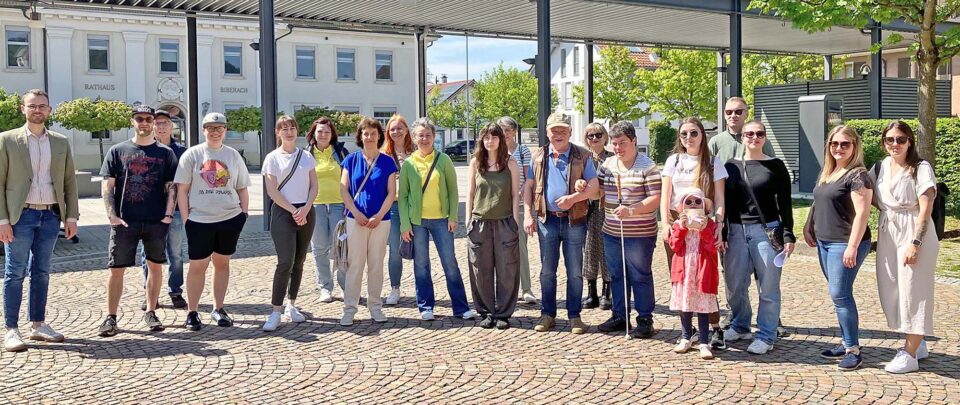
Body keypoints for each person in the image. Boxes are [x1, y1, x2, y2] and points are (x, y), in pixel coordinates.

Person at [1, 89, 79, 352]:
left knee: (42, 272)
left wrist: (71, 216)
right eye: (32, 106)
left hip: (50, 215)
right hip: (20, 216)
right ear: (22, 109)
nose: (37, 110)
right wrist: (2, 220)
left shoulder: (60, 142)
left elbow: (69, 182)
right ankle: (11, 329)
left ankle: (38, 324)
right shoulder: (7, 140)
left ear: (49, 110)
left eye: (42, 106)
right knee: (15, 272)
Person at [97, 105, 179, 337]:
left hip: (155, 220)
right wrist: (112, 215)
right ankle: (111, 316)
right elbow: (108, 186)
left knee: (155, 266)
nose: (144, 122)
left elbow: (171, 187)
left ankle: (151, 311)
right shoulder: (117, 150)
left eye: (148, 119)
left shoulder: (166, 153)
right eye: (139, 118)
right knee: (116, 269)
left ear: (153, 122)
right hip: (125, 221)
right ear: (132, 121)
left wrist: (168, 215)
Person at [803, 125, 873, 371]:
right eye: (834, 143)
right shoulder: (830, 171)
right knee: (838, 295)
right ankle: (845, 342)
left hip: (844, 243)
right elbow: (819, 201)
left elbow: (862, 214)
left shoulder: (858, 176)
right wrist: (809, 225)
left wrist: (852, 247)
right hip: (824, 241)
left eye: (845, 144)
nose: (839, 148)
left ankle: (853, 350)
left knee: (840, 294)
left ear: (855, 146)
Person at [871, 121, 938, 374]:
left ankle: (909, 354)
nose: (895, 144)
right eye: (890, 139)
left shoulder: (920, 168)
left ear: (910, 141)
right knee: (892, 289)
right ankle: (917, 342)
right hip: (889, 231)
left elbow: (926, 209)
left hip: (914, 232)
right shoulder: (881, 167)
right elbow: (867, 193)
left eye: (901, 139)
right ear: (883, 143)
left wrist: (915, 243)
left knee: (914, 290)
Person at [722, 120, 795, 355]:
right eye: (749, 134)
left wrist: (788, 234)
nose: (754, 137)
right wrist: (722, 232)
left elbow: (785, 204)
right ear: (742, 137)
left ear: (765, 137)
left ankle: (766, 335)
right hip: (735, 230)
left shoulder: (776, 166)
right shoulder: (730, 166)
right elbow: (724, 203)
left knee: (768, 287)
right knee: (734, 284)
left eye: (759, 134)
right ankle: (740, 325)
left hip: (766, 231)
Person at [523, 112, 598, 334]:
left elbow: (594, 187)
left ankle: (575, 316)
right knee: (547, 271)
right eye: (554, 130)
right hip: (547, 221)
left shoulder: (582, 155)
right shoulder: (538, 156)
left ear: (570, 132)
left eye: (563, 130)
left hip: (575, 221)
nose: (558, 134)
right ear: (547, 133)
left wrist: (573, 199)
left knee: (574, 271)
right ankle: (547, 314)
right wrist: (528, 215)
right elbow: (528, 187)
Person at [175, 112, 251, 331]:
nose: (215, 131)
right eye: (211, 128)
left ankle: (219, 308)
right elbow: (182, 190)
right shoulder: (192, 154)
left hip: (229, 218)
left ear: (225, 130)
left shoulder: (233, 155)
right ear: (203, 130)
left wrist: (243, 215)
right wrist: (187, 219)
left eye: (219, 128)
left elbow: (242, 187)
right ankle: (192, 312)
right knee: (197, 266)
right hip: (199, 220)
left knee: (222, 264)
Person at [399, 118, 477, 321]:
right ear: (414, 138)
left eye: (428, 135)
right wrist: (405, 225)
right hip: (417, 222)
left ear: (434, 137)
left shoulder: (443, 160)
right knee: (421, 265)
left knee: (450, 263)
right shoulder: (409, 164)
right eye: (420, 135)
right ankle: (426, 307)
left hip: (442, 220)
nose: (424, 139)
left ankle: (461, 307)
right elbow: (403, 196)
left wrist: (453, 216)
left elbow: (452, 190)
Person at [595, 121, 661, 338]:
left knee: (640, 275)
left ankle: (645, 319)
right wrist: (583, 187)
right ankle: (620, 315)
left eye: (622, 143)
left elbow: (655, 198)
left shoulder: (647, 166)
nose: (618, 148)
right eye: (614, 143)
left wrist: (632, 210)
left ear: (634, 141)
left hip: (640, 234)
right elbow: (598, 192)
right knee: (616, 275)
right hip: (612, 231)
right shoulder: (607, 165)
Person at [339, 117, 398, 326]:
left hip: (381, 221)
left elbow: (391, 193)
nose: (370, 137)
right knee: (354, 265)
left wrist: (379, 215)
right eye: (366, 133)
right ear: (360, 136)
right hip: (355, 219)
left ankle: (375, 307)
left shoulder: (387, 162)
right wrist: (355, 212)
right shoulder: (351, 160)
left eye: (373, 133)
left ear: (379, 136)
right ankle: (349, 309)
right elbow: (344, 189)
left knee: (376, 264)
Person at [262, 116, 318, 332]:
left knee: (299, 260)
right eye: (284, 128)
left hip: (306, 211)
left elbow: (314, 185)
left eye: (292, 127)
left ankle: (291, 305)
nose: (289, 131)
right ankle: (275, 310)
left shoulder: (306, 156)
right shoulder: (272, 158)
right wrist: (294, 210)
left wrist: (306, 208)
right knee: (285, 261)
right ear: (278, 132)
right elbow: (272, 191)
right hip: (283, 212)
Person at [466, 123, 522, 329]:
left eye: (494, 137)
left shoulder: (510, 163)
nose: (490, 141)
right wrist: (468, 220)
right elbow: (470, 193)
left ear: (501, 140)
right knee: (480, 269)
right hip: (479, 223)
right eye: (486, 137)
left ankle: (504, 313)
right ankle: (487, 312)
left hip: (505, 222)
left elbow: (515, 194)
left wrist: (515, 222)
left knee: (508, 269)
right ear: (482, 140)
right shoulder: (475, 162)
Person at [138, 108, 188, 310]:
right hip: (150, 210)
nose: (161, 126)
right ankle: (151, 294)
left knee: (175, 253)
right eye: (157, 123)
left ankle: (175, 291)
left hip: (175, 210)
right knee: (147, 255)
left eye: (165, 123)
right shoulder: (145, 148)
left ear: (171, 125)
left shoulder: (182, 152)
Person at [668, 190, 719, 359]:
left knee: (702, 308)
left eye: (697, 202)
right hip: (684, 272)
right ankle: (686, 337)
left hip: (702, 272)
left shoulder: (710, 224)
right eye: (688, 202)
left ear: (704, 206)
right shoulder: (678, 224)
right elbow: (674, 246)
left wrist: (704, 229)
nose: (693, 205)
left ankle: (704, 342)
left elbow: (712, 247)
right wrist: (682, 227)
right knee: (685, 306)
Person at [307, 117, 349, 303]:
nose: (323, 134)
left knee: (342, 248)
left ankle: (345, 287)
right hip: (316, 206)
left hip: (339, 205)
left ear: (332, 134)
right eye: (320, 131)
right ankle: (325, 287)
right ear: (313, 134)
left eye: (327, 132)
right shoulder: (307, 155)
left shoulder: (341, 152)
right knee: (319, 248)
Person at [498, 116, 538, 305]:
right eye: (501, 130)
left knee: (520, 248)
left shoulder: (522, 151)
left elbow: (529, 178)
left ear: (514, 131)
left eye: (508, 130)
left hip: (520, 206)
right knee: (500, 250)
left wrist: (522, 191)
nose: (504, 134)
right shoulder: (494, 150)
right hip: (500, 207)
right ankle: (505, 290)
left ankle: (526, 288)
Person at [581, 123, 614, 310]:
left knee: (606, 249)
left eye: (598, 134)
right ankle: (591, 292)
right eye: (590, 135)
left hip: (606, 208)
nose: (594, 138)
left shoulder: (612, 158)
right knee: (589, 250)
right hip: (587, 209)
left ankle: (606, 292)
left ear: (605, 137)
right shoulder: (583, 158)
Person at [383, 115, 413, 306]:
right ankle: (395, 288)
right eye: (392, 129)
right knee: (395, 250)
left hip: (414, 206)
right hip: (393, 207)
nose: (396, 132)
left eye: (400, 128)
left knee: (420, 249)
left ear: (406, 130)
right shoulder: (384, 154)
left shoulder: (416, 152)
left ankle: (422, 288)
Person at [708, 97, 775, 163]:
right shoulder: (715, 142)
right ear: (725, 115)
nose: (733, 115)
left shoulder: (760, 141)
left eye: (738, 112)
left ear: (747, 114)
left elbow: (774, 166)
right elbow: (706, 166)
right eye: (729, 112)